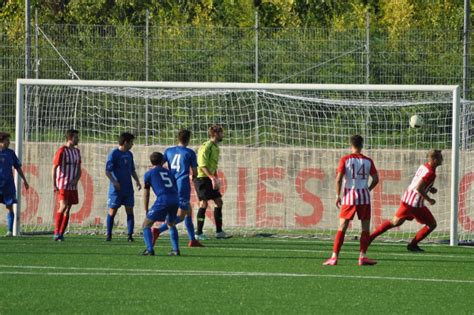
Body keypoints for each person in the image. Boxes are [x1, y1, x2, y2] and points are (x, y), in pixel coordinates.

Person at [369, 150, 443, 252]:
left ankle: (369, 238)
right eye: (440, 158)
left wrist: (430, 188)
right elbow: (419, 188)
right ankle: (412, 245)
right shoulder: (431, 173)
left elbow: (419, 181)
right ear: (434, 160)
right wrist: (429, 199)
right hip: (414, 204)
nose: (442, 160)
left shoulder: (424, 167)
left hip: (407, 199)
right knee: (432, 224)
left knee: (395, 222)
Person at [323, 135, 379, 266]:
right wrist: (367, 189)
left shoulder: (345, 159)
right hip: (364, 197)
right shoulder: (368, 161)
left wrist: (338, 195)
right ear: (362, 145)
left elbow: (338, 179)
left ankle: (334, 257)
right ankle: (362, 257)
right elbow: (376, 179)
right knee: (365, 227)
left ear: (351, 145)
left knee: (342, 227)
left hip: (349, 197)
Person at [151, 129, 203, 247]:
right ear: (188, 139)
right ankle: (158, 230)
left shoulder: (169, 151)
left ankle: (192, 240)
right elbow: (195, 172)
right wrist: (194, 178)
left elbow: (158, 165)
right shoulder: (189, 153)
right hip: (182, 185)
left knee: (188, 211)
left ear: (178, 138)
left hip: (172, 184)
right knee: (181, 215)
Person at [194, 125, 230, 240]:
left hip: (210, 178)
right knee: (203, 204)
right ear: (215, 134)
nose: (223, 135)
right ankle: (198, 233)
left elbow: (213, 165)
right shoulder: (206, 146)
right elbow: (202, 165)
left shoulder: (216, 147)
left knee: (219, 202)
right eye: (221, 133)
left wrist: (216, 178)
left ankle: (219, 232)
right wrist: (211, 178)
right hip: (202, 178)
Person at [105, 132, 142, 242]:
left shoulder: (129, 154)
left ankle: (130, 235)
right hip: (116, 190)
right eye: (131, 142)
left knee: (130, 211)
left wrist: (137, 181)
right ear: (126, 142)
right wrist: (114, 182)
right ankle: (109, 235)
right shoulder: (114, 154)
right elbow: (107, 171)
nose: (132, 145)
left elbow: (132, 170)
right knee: (112, 211)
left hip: (128, 189)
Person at [142, 152, 180, 256]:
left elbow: (146, 193)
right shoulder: (170, 173)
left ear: (151, 161)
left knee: (146, 224)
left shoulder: (149, 174)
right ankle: (175, 250)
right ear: (163, 161)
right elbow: (175, 188)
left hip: (163, 199)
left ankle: (149, 249)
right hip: (175, 198)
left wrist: (146, 209)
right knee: (171, 223)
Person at [52, 129, 81, 241]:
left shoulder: (77, 152)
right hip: (62, 184)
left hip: (72, 186)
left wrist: (77, 179)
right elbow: (54, 168)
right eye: (76, 137)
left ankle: (61, 234)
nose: (78, 139)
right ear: (70, 138)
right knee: (63, 206)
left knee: (68, 209)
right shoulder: (62, 151)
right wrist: (54, 184)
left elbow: (79, 169)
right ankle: (56, 232)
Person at [0, 132, 29, 237]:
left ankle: (9, 231)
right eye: (7, 140)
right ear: (1, 142)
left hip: (8, 186)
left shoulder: (11, 153)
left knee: (9, 207)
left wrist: (25, 180)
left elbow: (18, 167)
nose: (9, 142)